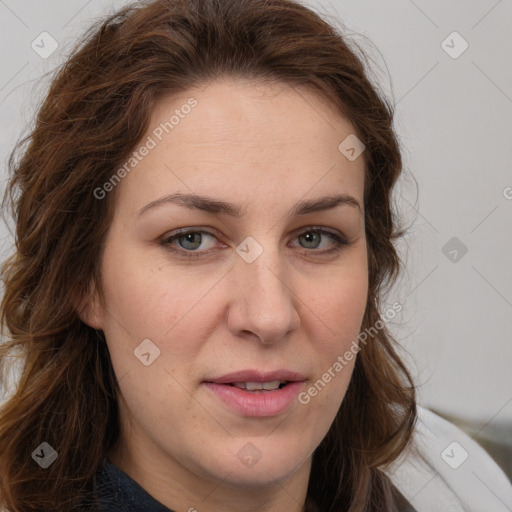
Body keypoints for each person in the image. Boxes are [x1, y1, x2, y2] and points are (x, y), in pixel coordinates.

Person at [0, 0, 510, 511]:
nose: (270, 316)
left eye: (315, 238)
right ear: (82, 278)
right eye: (192, 240)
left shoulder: (466, 489)